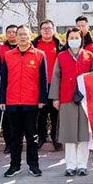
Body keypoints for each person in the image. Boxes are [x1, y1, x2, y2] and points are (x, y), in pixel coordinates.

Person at [0, 25, 48, 177]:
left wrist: (42, 99)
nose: (22, 37)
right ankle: (15, 165)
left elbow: (43, 79)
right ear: (16, 37)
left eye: (25, 34)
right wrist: (2, 99)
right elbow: (3, 79)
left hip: (31, 101)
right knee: (15, 136)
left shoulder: (39, 55)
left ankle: (33, 165)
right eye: (19, 34)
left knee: (32, 136)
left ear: (30, 36)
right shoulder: (8, 55)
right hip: (12, 101)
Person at [50, 27, 93, 176]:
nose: (74, 40)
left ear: (81, 40)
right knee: (69, 133)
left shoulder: (89, 56)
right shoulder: (61, 56)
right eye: (72, 38)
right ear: (67, 40)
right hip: (66, 98)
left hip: (85, 100)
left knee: (84, 134)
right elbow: (56, 77)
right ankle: (70, 165)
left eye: (77, 37)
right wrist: (55, 98)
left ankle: (82, 165)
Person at [33, 19, 63, 150]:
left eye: (49, 28)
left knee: (55, 112)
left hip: (55, 83)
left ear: (53, 30)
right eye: (44, 28)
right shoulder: (34, 45)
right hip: (39, 84)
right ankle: (42, 137)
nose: (46, 30)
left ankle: (55, 137)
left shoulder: (59, 45)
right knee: (41, 113)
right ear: (40, 31)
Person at [0, 24, 18, 155]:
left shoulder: (23, 48)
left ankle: (17, 143)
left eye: (14, 32)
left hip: (20, 87)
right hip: (6, 86)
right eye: (9, 32)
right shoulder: (1, 49)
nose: (11, 34)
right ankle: (8, 143)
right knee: (6, 120)